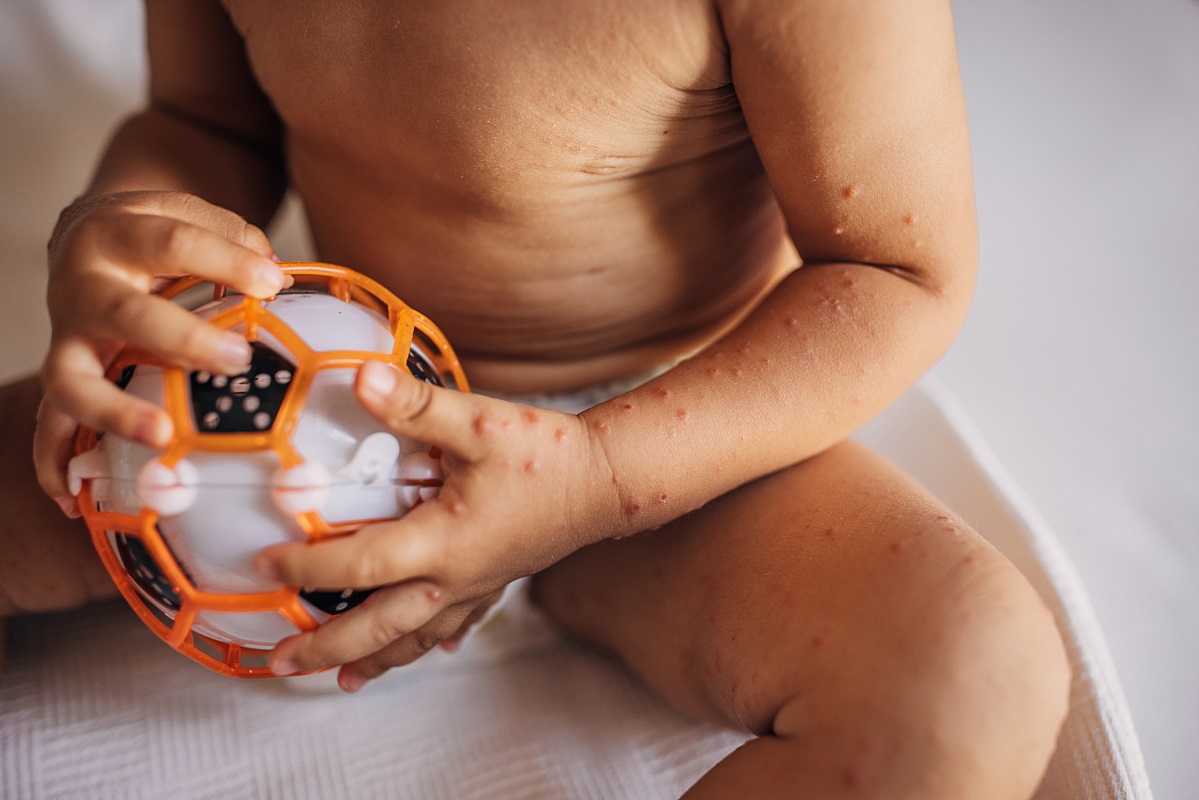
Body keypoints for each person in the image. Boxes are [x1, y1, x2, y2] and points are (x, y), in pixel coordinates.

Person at [0, 0, 1071, 796]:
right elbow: (204, 122)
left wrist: (595, 478)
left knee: (974, 680)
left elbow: (898, 272)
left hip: (666, 452)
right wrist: (116, 223)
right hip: (309, 419)